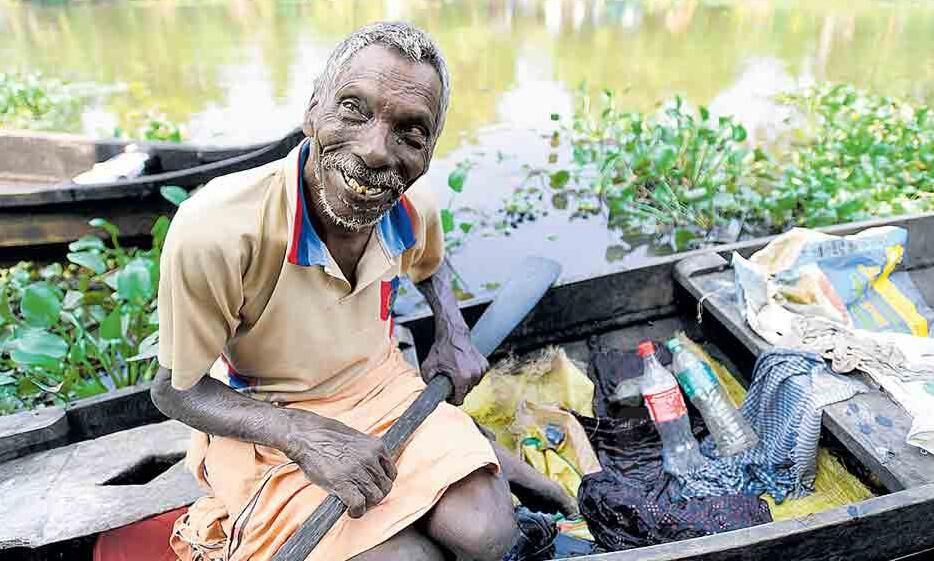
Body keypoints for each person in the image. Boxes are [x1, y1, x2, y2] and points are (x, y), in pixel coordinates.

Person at [150, 22, 569, 561]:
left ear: (429, 149)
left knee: (486, 536)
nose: (376, 151)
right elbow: (173, 390)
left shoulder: (415, 205)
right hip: (268, 418)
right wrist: (305, 437)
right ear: (312, 110)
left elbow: (429, 264)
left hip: (383, 389)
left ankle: (480, 466)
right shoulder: (219, 229)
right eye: (354, 109)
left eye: (410, 132)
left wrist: (452, 328)